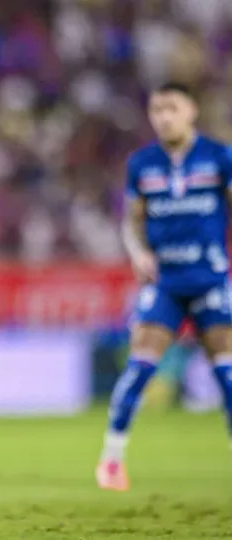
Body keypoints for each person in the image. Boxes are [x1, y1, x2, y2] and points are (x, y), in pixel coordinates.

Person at [96, 82, 232, 491]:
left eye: (172, 108)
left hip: (209, 278)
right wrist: (138, 253)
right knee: (140, 367)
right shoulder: (143, 164)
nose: (164, 117)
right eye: (156, 110)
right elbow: (132, 221)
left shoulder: (219, 157)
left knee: (227, 375)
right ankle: (112, 460)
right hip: (166, 282)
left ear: (191, 110)